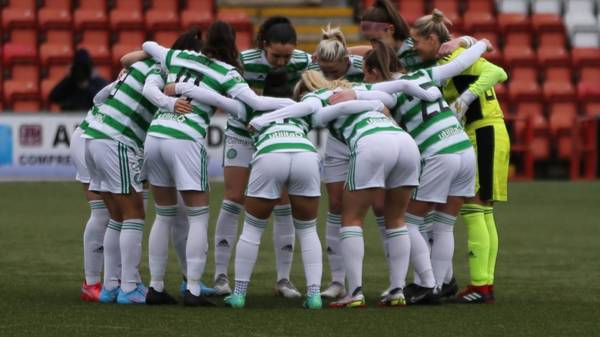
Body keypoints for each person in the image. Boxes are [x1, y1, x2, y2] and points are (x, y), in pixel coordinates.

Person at [247, 70, 441, 308]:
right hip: (405, 142)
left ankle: (356, 292)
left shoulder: (316, 97)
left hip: (373, 142)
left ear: (304, 90)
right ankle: (397, 290)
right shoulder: (359, 90)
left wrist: (261, 121)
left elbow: (304, 111)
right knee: (397, 219)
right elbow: (394, 93)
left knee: (351, 219)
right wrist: (381, 102)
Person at [329, 37, 494, 304]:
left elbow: (371, 96)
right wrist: (480, 42)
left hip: (439, 152)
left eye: (367, 76)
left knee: (409, 221)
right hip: (464, 149)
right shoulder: (425, 74)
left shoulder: (386, 89)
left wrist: (354, 94)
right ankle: (438, 286)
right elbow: (463, 61)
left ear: (372, 71)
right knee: (444, 224)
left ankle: (426, 283)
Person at [141, 21, 294, 305]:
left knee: (163, 215)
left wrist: (178, 88)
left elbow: (148, 46)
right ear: (233, 43)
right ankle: (194, 289)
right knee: (198, 216)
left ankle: (156, 287)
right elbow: (253, 105)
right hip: (185, 138)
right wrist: (296, 107)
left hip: (156, 134)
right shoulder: (228, 72)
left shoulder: (180, 56)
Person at [410, 9, 510, 303]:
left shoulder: (452, 59)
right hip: (484, 131)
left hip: (484, 131)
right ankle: (483, 283)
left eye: (417, 41)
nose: (414, 47)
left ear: (431, 38)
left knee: (475, 208)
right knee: (483, 210)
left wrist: (467, 98)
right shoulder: (450, 58)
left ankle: (481, 285)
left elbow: (497, 72)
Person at [214, 16, 312, 298]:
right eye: (276, 56)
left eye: (287, 56)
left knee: (282, 203)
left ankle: (283, 280)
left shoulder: (303, 61)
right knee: (233, 197)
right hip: (242, 134)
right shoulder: (244, 62)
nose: (282, 62)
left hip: (277, 137)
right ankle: (221, 275)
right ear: (264, 46)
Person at [82, 56, 159, 304]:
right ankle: (128, 287)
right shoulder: (160, 73)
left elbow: (98, 98)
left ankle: (109, 286)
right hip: (114, 140)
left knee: (113, 215)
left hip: (91, 133)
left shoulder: (135, 68)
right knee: (133, 214)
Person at [72, 80, 116, 302]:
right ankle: (91, 284)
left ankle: (112, 281)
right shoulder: (150, 79)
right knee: (102, 213)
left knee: (115, 215)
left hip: (104, 138)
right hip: (92, 138)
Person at [354, 0, 479, 71]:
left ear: (391, 29)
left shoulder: (419, 47)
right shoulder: (386, 51)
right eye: (371, 41)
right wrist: (345, 50)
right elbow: (367, 50)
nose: (374, 47)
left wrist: (461, 40)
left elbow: (477, 47)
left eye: (376, 40)